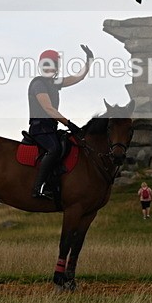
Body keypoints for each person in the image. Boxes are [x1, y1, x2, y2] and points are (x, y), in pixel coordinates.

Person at [28, 45, 93, 200]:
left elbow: (78, 77)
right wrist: (69, 123)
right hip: (40, 129)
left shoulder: (54, 83)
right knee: (55, 149)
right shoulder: (38, 84)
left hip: (50, 128)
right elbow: (48, 109)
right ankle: (38, 188)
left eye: (51, 64)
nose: (48, 67)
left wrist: (89, 60)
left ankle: (57, 183)